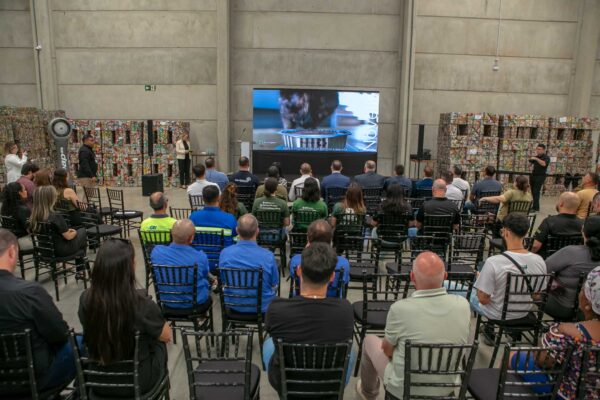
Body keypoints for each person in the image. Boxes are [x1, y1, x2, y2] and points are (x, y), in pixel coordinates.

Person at [357, 252, 471, 400]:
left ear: (412, 278)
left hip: (402, 390)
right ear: (445, 277)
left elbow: (387, 351)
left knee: (369, 341)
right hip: (446, 388)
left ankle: (369, 393)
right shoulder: (463, 305)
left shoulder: (400, 309)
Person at [78, 239, 171, 397]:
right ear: (130, 267)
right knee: (159, 343)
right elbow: (167, 336)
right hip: (136, 381)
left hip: (98, 378)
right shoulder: (143, 304)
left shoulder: (86, 299)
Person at [265, 242, 354, 394]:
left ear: (299, 271)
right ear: (332, 276)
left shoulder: (276, 309)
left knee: (268, 344)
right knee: (351, 352)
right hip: (330, 384)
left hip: (286, 383)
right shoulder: (346, 310)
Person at [0, 229, 78, 393]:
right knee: (82, 343)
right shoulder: (29, 293)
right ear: (12, 252)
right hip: (38, 377)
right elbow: (60, 333)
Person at [509, 266, 600, 400]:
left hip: (566, 395)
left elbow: (542, 360)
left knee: (513, 355)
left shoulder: (569, 333)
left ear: (589, 300)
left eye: (583, 289)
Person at [471, 214, 546, 343]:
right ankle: (511, 332)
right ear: (526, 232)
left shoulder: (494, 262)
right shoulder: (539, 260)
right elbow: (537, 296)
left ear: (506, 232)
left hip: (498, 314)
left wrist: (480, 280)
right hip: (523, 312)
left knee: (470, 291)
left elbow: (483, 300)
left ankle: (489, 329)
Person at [218, 214, 279, 313]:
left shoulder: (225, 253)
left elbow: (224, 280)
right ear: (257, 231)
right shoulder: (268, 256)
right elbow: (274, 283)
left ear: (237, 231)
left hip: (233, 304)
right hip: (262, 307)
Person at [544, 216, 600, 320]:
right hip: (591, 310)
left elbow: (543, 269)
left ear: (583, 231)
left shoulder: (570, 252)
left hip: (563, 306)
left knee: (526, 291)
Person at [150, 219, 211, 312]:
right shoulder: (200, 257)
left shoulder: (156, 252)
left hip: (167, 302)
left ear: (171, 234)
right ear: (191, 238)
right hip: (194, 304)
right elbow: (204, 275)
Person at [289, 220, 350, 297]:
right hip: (333, 303)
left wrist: (306, 251)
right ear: (331, 239)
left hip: (303, 300)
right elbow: (344, 283)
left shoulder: (296, 260)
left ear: (308, 238)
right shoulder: (344, 263)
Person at [29, 186, 87, 258]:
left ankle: (79, 259)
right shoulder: (55, 216)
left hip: (45, 250)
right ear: (50, 199)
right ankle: (81, 263)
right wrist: (75, 232)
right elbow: (68, 237)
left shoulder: (34, 217)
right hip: (60, 251)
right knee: (82, 231)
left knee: (79, 235)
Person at [531, 192, 583, 258]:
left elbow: (535, 246)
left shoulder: (549, 221)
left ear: (561, 204)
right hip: (572, 259)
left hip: (549, 260)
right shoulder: (583, 224)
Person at [0, 182, 32, 250]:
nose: (26, 191)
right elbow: (30, 229)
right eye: (24, 190)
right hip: (22, 239)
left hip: (10, 238)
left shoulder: (5, 208)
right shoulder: (23, 210)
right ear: (19, 193)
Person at [529, 143, 550, 212]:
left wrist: (536, 158)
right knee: (533, 192)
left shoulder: (546, 157)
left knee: (536, 191)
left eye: (539, 149)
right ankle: (534, 206)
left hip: (540, 176)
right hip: (533, 175)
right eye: (537, 149)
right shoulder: (536, 157)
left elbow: (544, 164)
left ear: (544, 150)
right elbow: (530, 164)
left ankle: (536, 208)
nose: (538, 151)